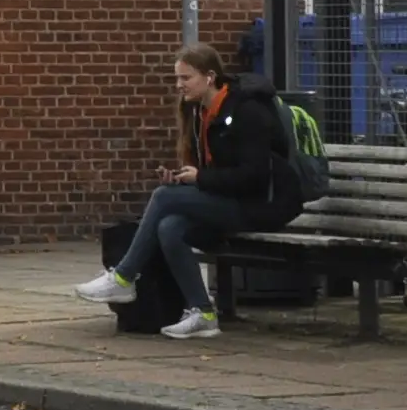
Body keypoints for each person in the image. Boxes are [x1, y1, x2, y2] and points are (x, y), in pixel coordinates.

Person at [72, 42, 295, 341]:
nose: (179, 86)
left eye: (186, 78)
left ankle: (124, 277)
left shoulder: (246, 112)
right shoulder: (199, 113)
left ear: (210, 77)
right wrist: (183, 177)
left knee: (164, 198)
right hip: (228, 200)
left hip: (259, 206)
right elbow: (214, 171)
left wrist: (200, 178)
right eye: (177, 78)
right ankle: (202, 313)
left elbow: (254, 177)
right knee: (170, 226)